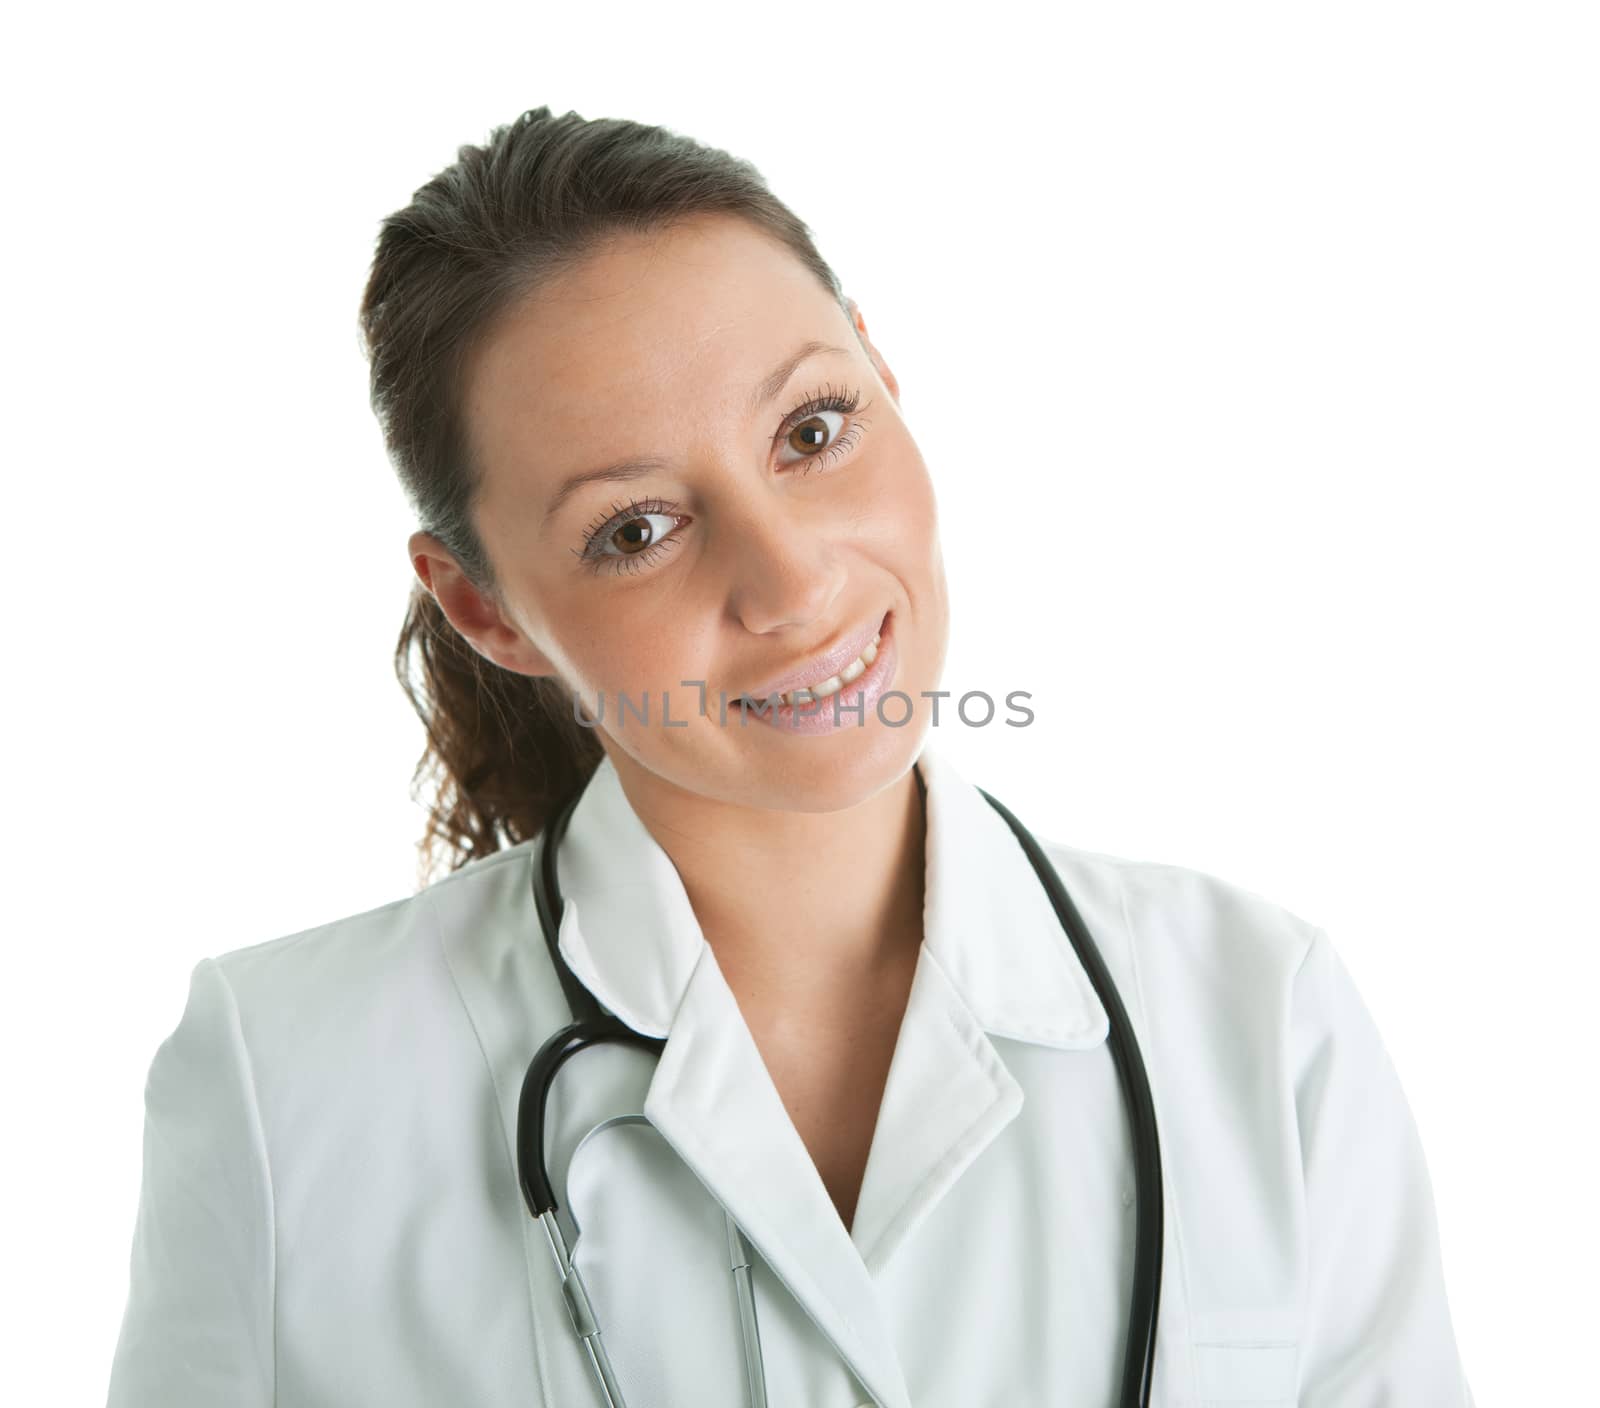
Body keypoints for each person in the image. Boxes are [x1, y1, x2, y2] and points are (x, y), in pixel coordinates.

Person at [105, 106, 1475, 1407]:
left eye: (813, 432)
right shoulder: (283, 1084)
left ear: (884, 372)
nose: (794, 584)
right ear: (485, 610)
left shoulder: (1259, 1018)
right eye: (636, 528)